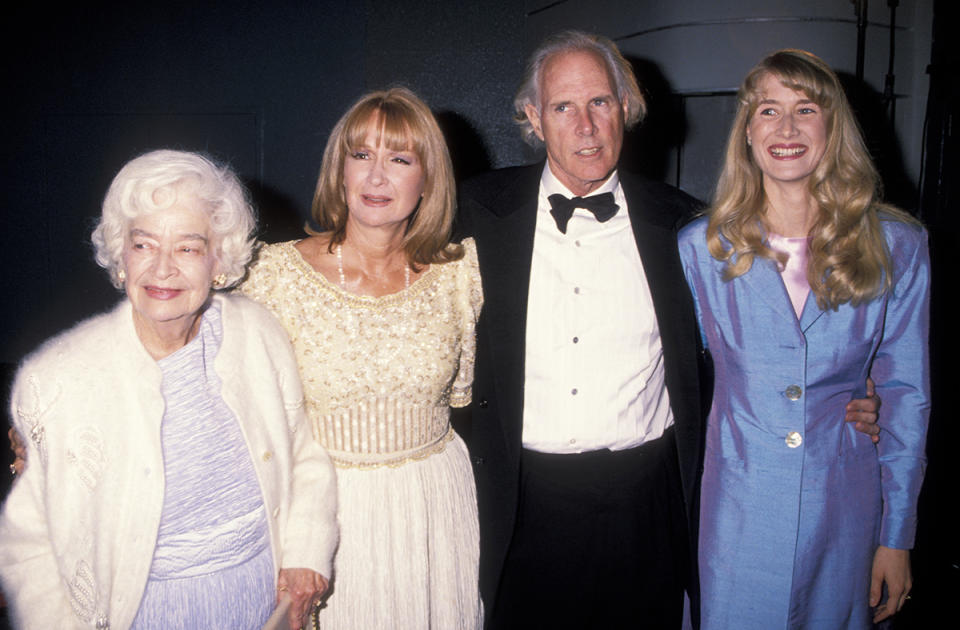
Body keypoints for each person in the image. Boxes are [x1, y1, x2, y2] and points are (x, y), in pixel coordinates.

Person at [457, 31, 882, 629]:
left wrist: (855, 393)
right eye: (563, 107)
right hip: (521, 502)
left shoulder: (687, 228)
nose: (585, 125)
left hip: (648, 503)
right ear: (533, 116)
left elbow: (757, 345)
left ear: (626, 108)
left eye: (600, 102)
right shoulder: (472, 212)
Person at [0, 150, 337, 630]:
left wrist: (306, 551)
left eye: (188, 247)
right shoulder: (61, 376)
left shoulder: (257, 333)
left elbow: (302, 453)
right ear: (121, 254)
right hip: (142, 613)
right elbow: (30, 547)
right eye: (144, 245)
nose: (162, 269)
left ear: (219, 259)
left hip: (262, 600)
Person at [678, 49, 929, 628]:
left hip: (844, 514)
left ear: (831, 127)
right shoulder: (699, 249)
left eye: (806, 109)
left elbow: (908, 396)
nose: (786, 128)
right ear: (747, 131)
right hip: (731, 515)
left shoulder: (897, 246)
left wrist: (897, 537)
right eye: (768, 110)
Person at [239, 87, 483, 629]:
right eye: (361, 155)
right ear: (340, 170)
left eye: (400, 160)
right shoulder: (267, 276)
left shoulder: (461, 275)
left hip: (432, 509)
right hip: (323, 516)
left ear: (428, 180)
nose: (377, 177)